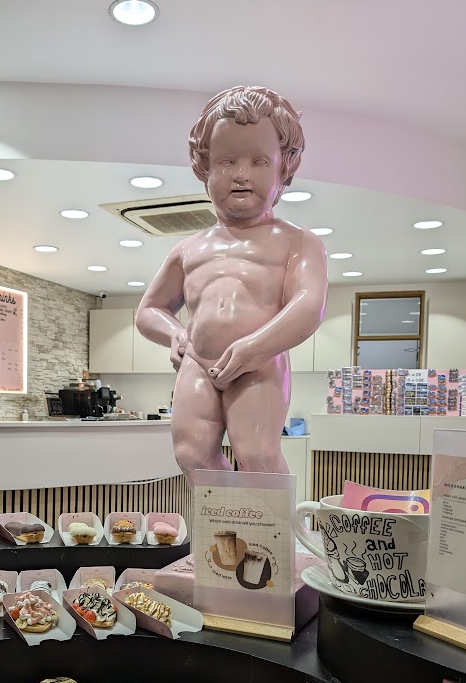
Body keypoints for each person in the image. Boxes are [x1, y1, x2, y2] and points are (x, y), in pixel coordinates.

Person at [136, 86, 328, 483]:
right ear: (205, 167)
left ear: (285, 167)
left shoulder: (298, 241)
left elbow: (309, 305)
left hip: (260, 361)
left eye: (259, 161)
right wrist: (174, 334)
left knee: (257, 455)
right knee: (192, 454)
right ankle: (225, 522)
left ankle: (271, 525)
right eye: (226, 161)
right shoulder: (188, 248)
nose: (241, 174)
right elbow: (149, 310)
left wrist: (256, 347)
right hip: (198, 361)